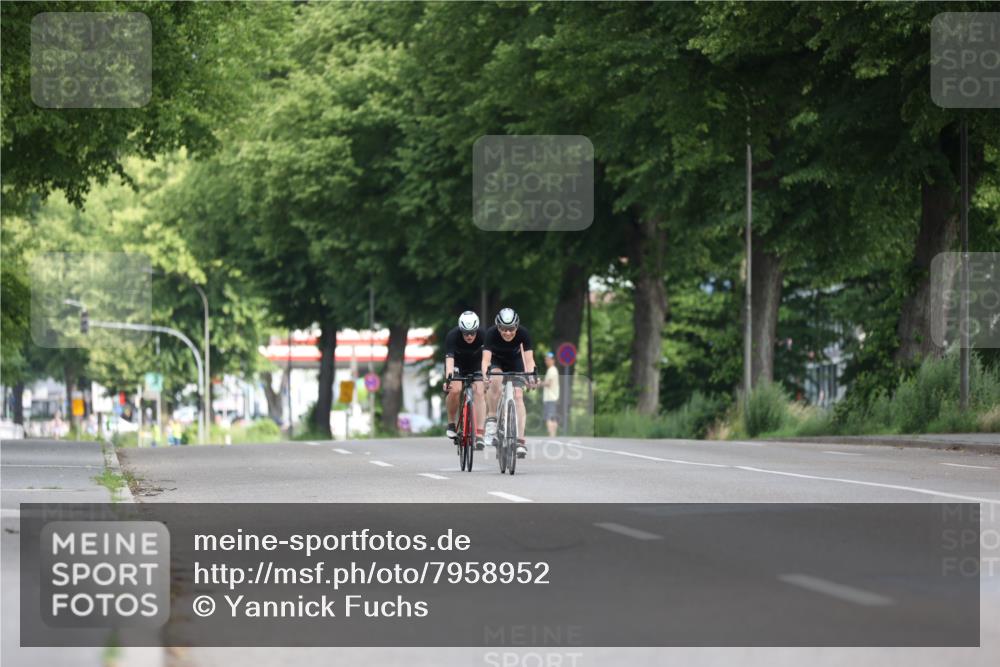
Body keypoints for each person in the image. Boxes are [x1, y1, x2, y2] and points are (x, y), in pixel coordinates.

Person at [481, 307, 536, 458]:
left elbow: (530, 360)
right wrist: (486, 375)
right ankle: (492, 419)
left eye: (511, 329)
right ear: (498, 327)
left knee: (518, 396)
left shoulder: (524, 333)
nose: (507, 332)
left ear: (516, 327)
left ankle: (520, 442)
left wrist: (532, 376)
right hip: (497, 361)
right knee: (496, 380)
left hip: (515, 362)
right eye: (503, 329)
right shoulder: (491, 334)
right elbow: (486, 360)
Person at [443, 311, 487, 449]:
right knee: (455, 389)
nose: (469, 336)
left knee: (479, 391)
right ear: (460, 330)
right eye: (466, 333)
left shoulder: (483, 335)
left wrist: (487, 376)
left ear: (477, 330)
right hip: (458, 364)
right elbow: (449, 361)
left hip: (476, 364)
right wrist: (448, 380)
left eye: (472, 333)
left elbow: (488, 358)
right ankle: (451, 423)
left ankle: (479, 434)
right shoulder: (452, 336)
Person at [542, 351, 560, 437]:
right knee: (553, 417)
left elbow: (548, 383)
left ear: (553, 360)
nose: (546, 361)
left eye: (548, 360)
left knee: (549, 417)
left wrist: (538, 384)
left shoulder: (552, 370)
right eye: (546, 360)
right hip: (553, 397)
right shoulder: (553, 370)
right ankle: (553, 435)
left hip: (550, 397)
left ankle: (551, 435)